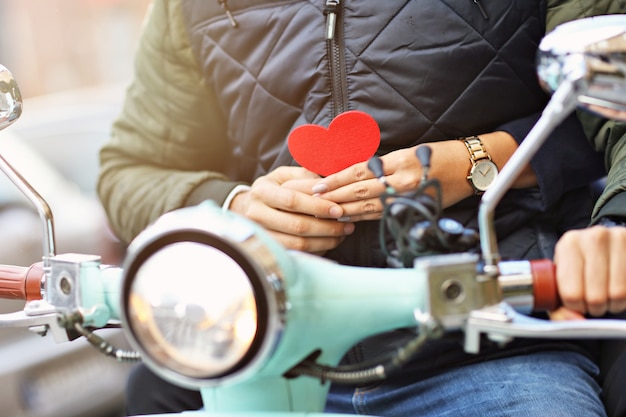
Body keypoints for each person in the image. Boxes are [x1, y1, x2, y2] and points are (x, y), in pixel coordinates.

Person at [97, 1, 625, 416]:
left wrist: (475, 162)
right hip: (271, 361)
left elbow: (607, 116)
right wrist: (237, 206)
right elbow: (132, 168)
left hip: (494, 347)